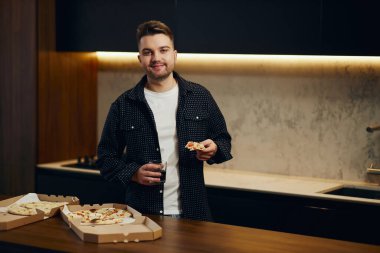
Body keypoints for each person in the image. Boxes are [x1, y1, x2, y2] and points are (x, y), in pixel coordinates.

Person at [97, 20, 232, 221]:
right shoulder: (123, 105)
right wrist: (134, 173)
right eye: (148, 52)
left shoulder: (199, 96)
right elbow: (106, 159)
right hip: (142, 216)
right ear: (139, 58)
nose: (156, 58)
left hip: (194, 215)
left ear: (174, 55)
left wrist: (214, 148)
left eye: (163, 50)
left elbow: (223, 141)